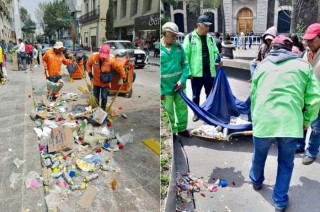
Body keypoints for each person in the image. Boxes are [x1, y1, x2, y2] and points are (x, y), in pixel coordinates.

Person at [250, 35, 320, 212]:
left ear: (272, 48)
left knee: (259, 155)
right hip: (290, 123)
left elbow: (254, 96)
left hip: (264, 121)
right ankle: (280, 201)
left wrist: (255, 118)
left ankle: (257, 181)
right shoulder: (303, 66)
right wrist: (306, 121)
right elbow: (314, 100)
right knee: (286, 163)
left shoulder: (262, 66)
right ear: (290, 49)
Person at [183, 15, 221, 122]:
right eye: (206, 26)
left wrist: (218, 58)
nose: (208, 29)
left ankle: (208, 112)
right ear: (199, 25)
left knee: (209, 93)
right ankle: (196, 113)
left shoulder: (210, 38)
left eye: (209, 26)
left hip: (209, 72)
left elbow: (215, 51)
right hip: (196, 73)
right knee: (196, 95)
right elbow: (185, 56)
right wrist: (188, 72)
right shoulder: (190, 37)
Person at [160, 22, 190, 140]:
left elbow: (185, 65)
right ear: (164, 33)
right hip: (165, 89)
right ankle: (171, 131)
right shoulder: (159, 49)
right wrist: (160, 91)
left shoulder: (178, 47)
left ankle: (182, 129)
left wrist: (182, 80)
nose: (175, 37)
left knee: (182, 109)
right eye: (172, 35)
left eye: (175, 35)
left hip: (179, 87)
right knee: (168, 112)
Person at [295, 23, 320, 165]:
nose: (308, 43)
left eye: (312, 40)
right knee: (301, 121)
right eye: (307, 40)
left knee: (316, 127)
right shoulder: (305, 53)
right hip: (304, 96)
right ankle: (299, 145)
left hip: (318, 98)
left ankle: (311, 151)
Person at [86, 44, 127, 111]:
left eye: (104, 56)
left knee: (104, 96)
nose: (102, 58)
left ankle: (103, 109)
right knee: (96, 96)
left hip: (105, 82)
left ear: (108, 54)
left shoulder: (111, 60)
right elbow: (88, 64)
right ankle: (96, 109)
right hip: (96, 81)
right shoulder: (94, 57)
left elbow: (119, 67)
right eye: (101, 56)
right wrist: (90, 73)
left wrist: (124, 77)